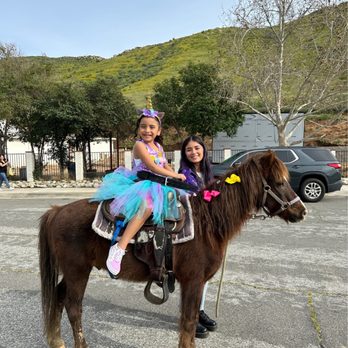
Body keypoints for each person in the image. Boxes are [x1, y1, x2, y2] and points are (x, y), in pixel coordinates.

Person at [91, 98, 186, 276]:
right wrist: (174, 176)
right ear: (138, 129)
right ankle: (119, 248)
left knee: (179, 203)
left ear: (159, 131)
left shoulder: (158, 146)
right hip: (142, 183)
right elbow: (153, 167)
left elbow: (164, 166)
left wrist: (177, 177)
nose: (147, 130)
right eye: (143, 126)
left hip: (159, 183)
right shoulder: (139, 145)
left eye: (151, 127)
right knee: (148, 207)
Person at [179, 135, 217, 339]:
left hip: (208, 228)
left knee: (205, 275)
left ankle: (199, 310)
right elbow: (199, 199)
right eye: (188, 150)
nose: (193, 152)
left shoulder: (209, 172)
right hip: (192, 227)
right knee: (195, 275)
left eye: (196, 148)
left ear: (203, 149)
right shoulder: (185, 173)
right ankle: (190, 314)